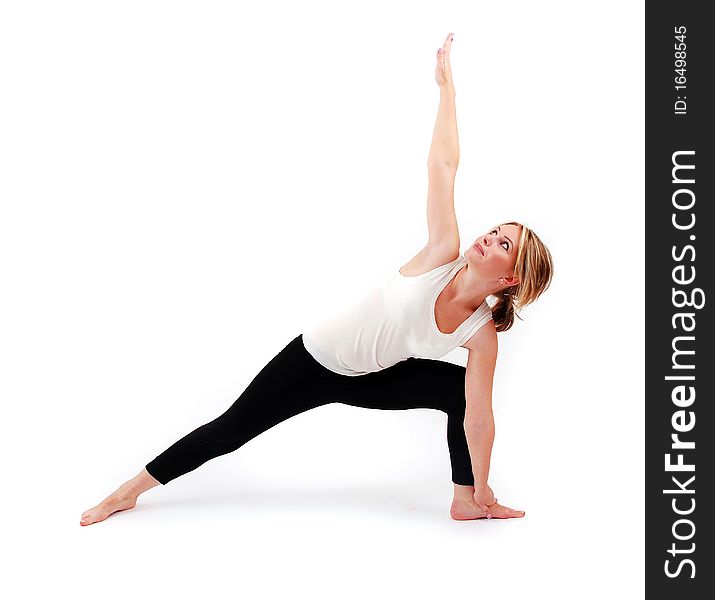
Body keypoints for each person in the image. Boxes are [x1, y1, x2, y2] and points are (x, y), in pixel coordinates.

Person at [80, 33, 553, 526]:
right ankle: (126, 492)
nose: (489, 237)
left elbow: (480, 420)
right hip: (314, 359)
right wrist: (447, 91)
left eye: (504, 244)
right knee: (230, 430)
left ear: (512, 278)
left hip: (373, 379)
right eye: (496, 230)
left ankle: (465, 501)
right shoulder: (443, 255)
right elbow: (443, 165)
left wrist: (483, 484)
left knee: (460, 391)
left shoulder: (480, 335)